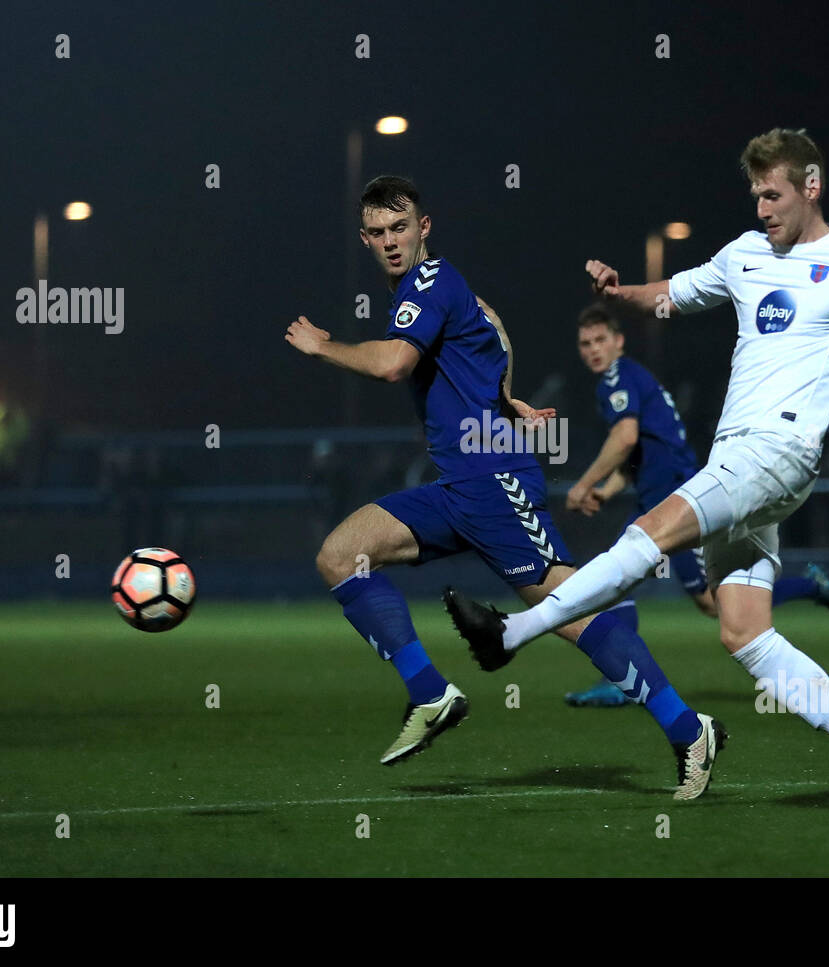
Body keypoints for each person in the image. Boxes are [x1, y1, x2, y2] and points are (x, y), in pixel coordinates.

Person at [446, 129, 829, 814]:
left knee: (648, 534)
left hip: (777, 452)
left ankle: (508, 634)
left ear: (812, 186)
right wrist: (622, 289)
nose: (761, 208)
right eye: (755, 194)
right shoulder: (745, 254)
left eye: (773, 193)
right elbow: (675, 294)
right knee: (743, 631)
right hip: (737, 460)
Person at [284, 176, 726, 800]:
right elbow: (493, 325)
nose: (389, 241)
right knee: (340, 554)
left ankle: (688, 730)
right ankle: (430, 694)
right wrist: (506, 397)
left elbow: (393, 365)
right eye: (378, 232)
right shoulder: (430, 289)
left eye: (400, 228)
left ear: (424, 227)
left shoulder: (431, 282)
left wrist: (323, 346)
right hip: (454, 485)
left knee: (572, 611)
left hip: (493, 481)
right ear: (364, 237)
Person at [564, 304, 829, 708]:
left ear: (618, 341)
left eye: (600, 339)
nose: (593, 348)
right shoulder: (621, 380)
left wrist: (583, 484)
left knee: (715, 604)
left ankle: (811, 587)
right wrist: (606, 492)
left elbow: (625, 438)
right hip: (655, 499)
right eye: (585, 343)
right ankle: (622, 681)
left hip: (678, 500)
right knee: (618, 581)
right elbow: (638, 454)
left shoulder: (619, 377)